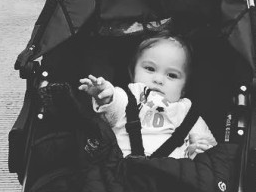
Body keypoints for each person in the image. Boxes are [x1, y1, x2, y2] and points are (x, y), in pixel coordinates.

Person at [78, 33, 217, 159]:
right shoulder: (131, 96)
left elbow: (212, 150)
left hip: (168, 175)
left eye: (172, 75)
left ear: (184, 88)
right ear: (132, 73)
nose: (158, 79)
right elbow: (113, 108)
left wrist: (196, 151)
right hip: (120, 171)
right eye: (150, 69)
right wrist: (105, 95)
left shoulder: (186, 111)